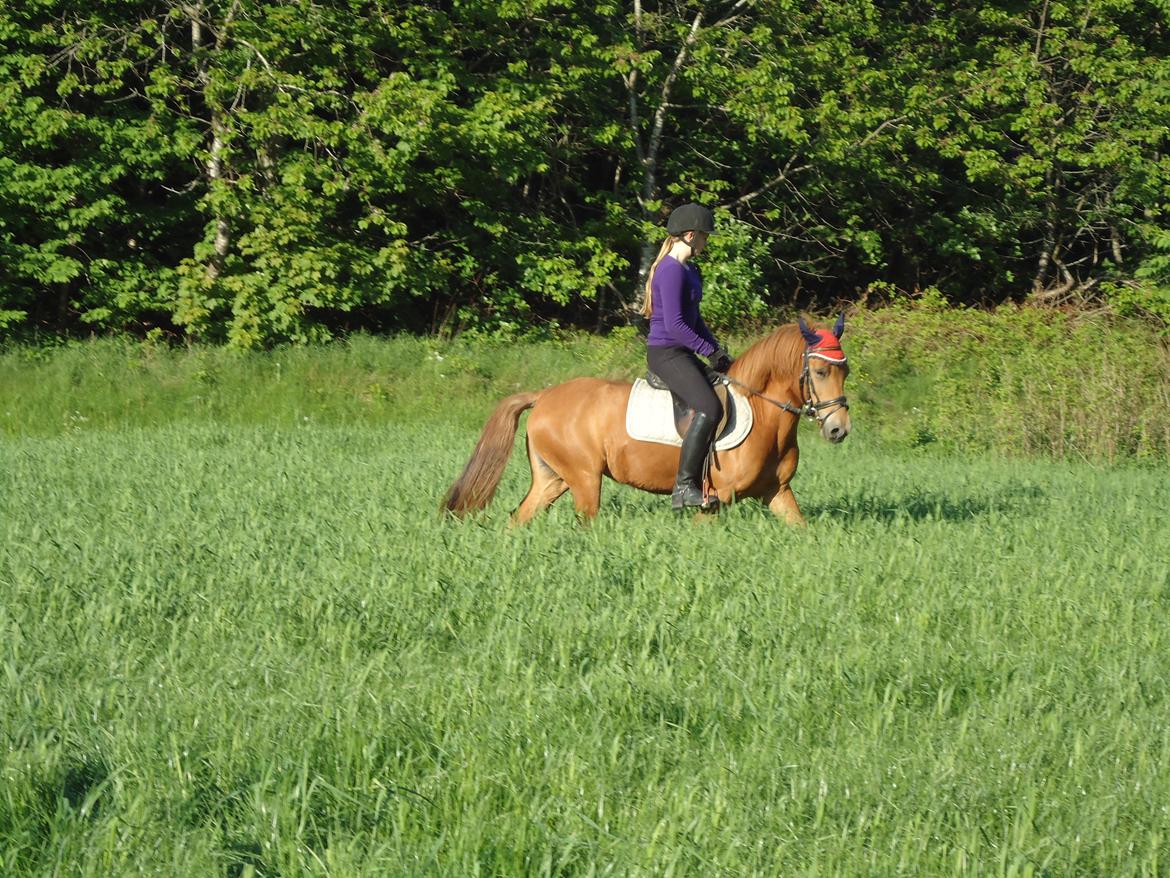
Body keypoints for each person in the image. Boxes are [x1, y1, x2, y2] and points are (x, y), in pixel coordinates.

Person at [642, 202, 734, 510]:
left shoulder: (691, 270)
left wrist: (717, 349)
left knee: (726, 387)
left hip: (682, 351)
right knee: (709, 407)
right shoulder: (670, 270)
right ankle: (683, 488)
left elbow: (695, 320)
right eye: (705, 236)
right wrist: (707, 350)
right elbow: (676, 326)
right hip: (666, 353)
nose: (707, 241)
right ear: (691, 235)